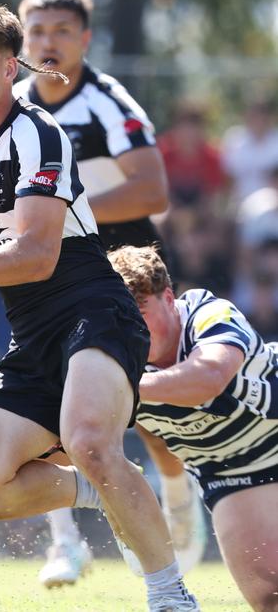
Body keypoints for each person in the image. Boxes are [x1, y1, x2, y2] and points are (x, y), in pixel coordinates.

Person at [0, 1, 199, 612]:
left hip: (94, 309)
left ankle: (170, 597)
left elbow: (37, 257)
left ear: (8, 69)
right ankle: (96, 492)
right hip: (30, 334)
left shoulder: (39, 133)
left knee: (91, 440)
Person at [14, 0, 206, 586]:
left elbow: (153, 191)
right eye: (37, 30)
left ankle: (176, 497)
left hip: (127, 269)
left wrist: (64, 201)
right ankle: (65, 542)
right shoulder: (12, 103)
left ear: (85, 39)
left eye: (62, 31)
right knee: (49, 395)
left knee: (148, 411)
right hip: (51, 271)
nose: (48, 42)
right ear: (23, 36)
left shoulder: (106, 101)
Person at [108, 244, 278, 612]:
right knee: (269, 598)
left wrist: (122, 387)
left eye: (140, 312)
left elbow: (208, 378)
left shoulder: (209, 312)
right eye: (121, 315)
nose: (131, 326)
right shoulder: (112, 352)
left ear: (168, 297)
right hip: (228, 472)